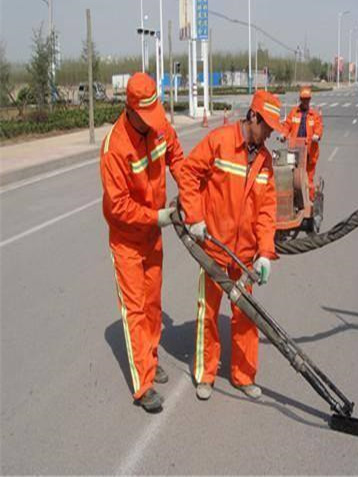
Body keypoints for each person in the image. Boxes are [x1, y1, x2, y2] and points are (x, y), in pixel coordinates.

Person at [178, 90, 282, 401]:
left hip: (245, 254)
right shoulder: (220, 141)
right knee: (208, 314)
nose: (271, 133)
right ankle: (206, 374)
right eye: (268, 127)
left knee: (246, 316)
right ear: (253, 117)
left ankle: (243, 375)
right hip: (214, 250)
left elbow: (267, 210)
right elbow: (188, 173)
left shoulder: (264, 160)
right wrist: (194, 217)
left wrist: (265, 253)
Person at [100, 72, 184, 412]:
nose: (151, 124)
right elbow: (118, 206)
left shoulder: (159, 127)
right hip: (128, 241)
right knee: (135, 309)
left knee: (152, 304)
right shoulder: (115, 149)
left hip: (153, 235)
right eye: (144, 117)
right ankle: (143, 385)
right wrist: (156, 217)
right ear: (130, 108)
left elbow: (178, 158)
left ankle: (149, 357)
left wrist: (189, 198)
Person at [281, 86, 324, 201]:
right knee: (292, 176)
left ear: (309, 100)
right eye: (303, 99)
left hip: (310, 151)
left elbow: (319, 127)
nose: (305, 101)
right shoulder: (294, 113)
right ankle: (293, 200)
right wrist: (283, 135)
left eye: (307, 99)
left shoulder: (314, 115)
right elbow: (287, 125)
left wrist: (317, 135)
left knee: (309, 178)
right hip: (295, 150)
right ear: (300, 99)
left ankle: (309, 201)